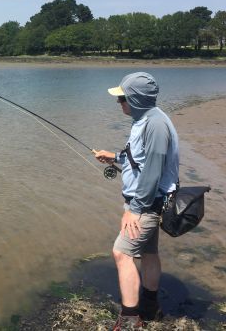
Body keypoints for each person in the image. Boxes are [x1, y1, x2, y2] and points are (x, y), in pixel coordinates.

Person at [94, 72, 179, 330]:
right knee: (148, 252)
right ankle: (150, 307)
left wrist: (135, 209)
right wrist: (116, 157)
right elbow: (139, 158)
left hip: (147, 203)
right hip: (148, 201)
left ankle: (131, 321)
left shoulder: (155, 125)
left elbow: (153, 170)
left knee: (121, 253)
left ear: (136, 99)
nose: (118, 103)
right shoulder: (145, 118)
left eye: (122, 98)